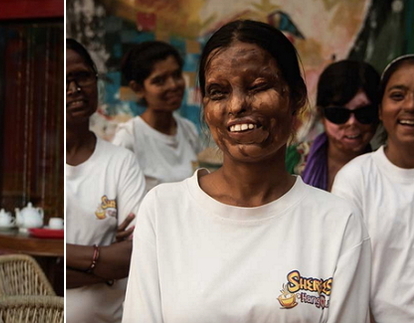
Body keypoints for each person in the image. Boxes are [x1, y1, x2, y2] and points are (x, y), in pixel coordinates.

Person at [122, 20, 371, 322]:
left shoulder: (338, 222)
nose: (237, 104)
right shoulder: (164, 211)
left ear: (296, 98)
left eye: (258, 87)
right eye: (218, 92)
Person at [65, 38, 146, 323]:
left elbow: (135, 254)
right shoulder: (41, 166)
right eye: (64, 81)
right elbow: (37, 267)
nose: (75, 90)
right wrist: (103, 262)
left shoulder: (121, 162)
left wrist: (63, 258)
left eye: (82, 77)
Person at [332, 54, 414, 323]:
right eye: (398, 95)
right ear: (380, 109)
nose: (410, 106)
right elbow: (345, 276)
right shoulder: (356, 179)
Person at [112, 41, 203, 192]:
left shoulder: (188, 130)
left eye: (176, 75)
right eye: (159, 81)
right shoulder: (129, 138)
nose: (173, 85)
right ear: (138, 88)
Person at [289, 60, 380, 191]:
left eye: (364, 113)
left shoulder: (389, 172)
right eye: (338, 114)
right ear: (321, 115)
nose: (352, 122)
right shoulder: (290, 160)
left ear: (379, 114)